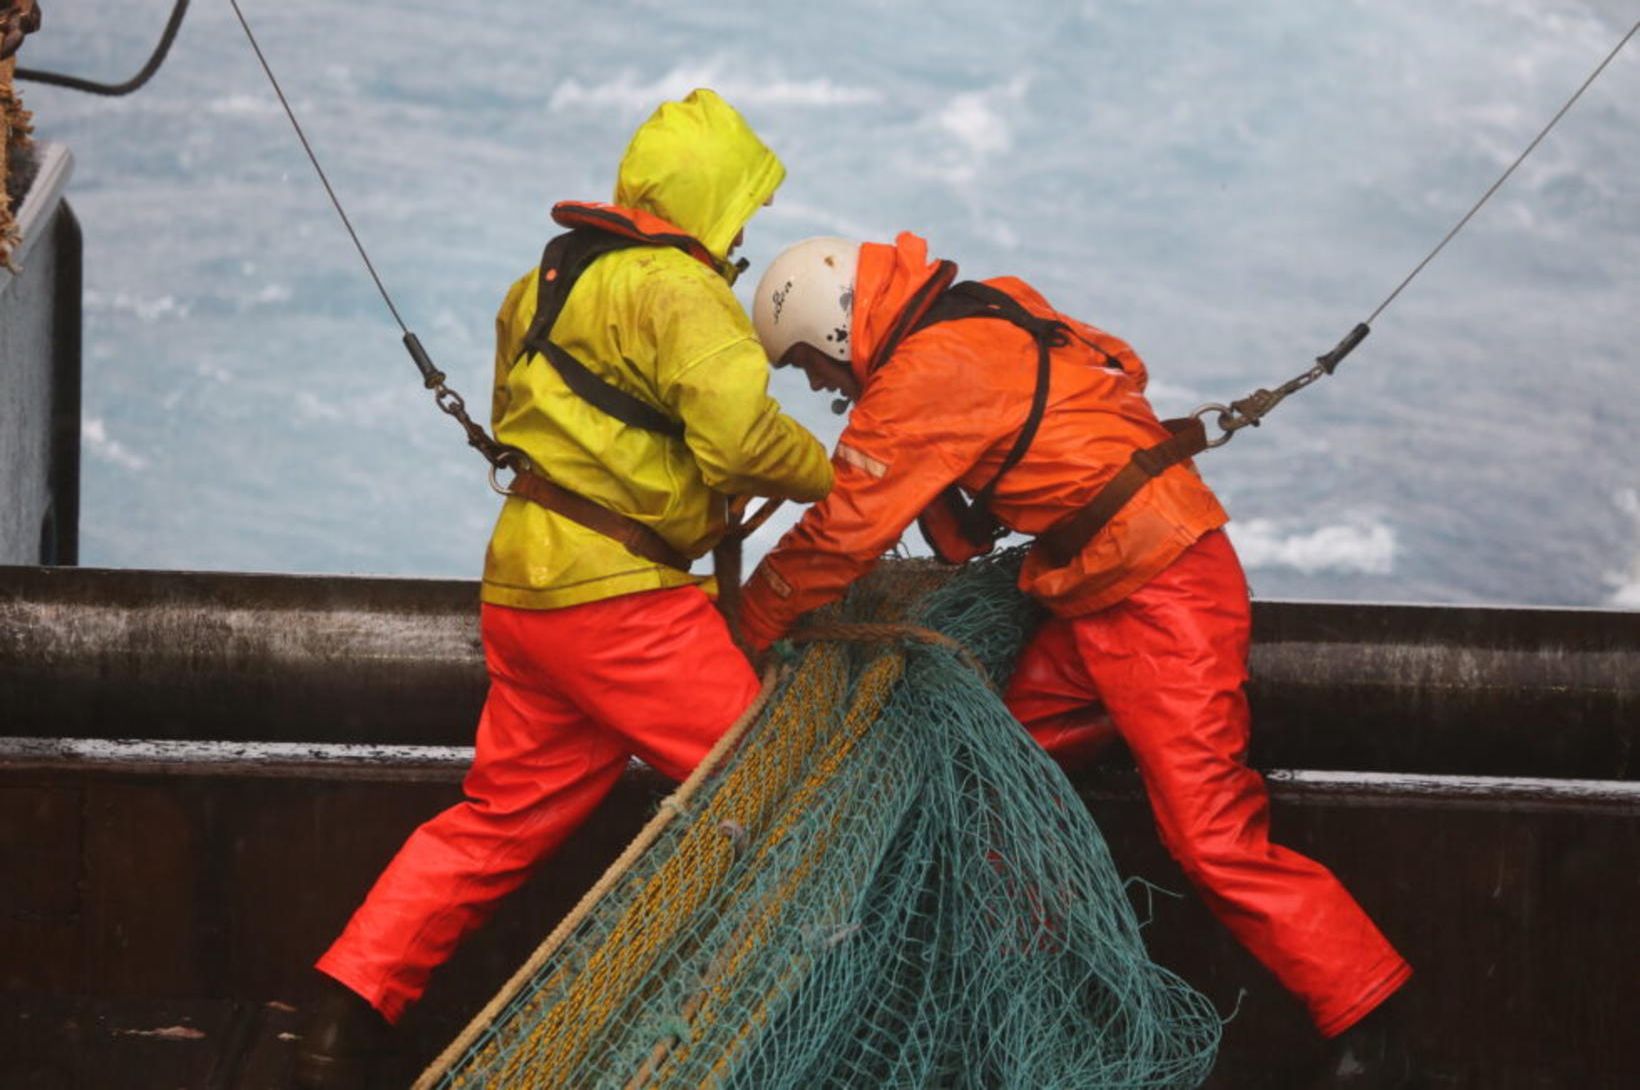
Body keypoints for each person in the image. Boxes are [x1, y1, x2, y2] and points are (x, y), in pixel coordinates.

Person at [737, 233, 1416, 1088]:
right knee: (1009, 771)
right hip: (1102, 582)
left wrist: (746, 622)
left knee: (1211, 836)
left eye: (809, 368)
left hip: (1161, 593)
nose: (822, 390)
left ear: (832, 333)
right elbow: (1120, 365)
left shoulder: (921, 375)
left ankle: (1373, 1027)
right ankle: (1018, 984)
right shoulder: (991, 300)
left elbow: (838, 536)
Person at [294, 89, 833, 1089]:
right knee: (776, 791)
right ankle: (748, 1029)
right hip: (623, 606)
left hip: (526, 593)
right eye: (744, 210)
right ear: (712, 202)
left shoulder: (536, 285)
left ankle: (338, 1019)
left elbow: (532, 421)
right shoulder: (685, 294)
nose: (746, 232)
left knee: (492, 822)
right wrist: (829, 473)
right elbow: (735, 439)